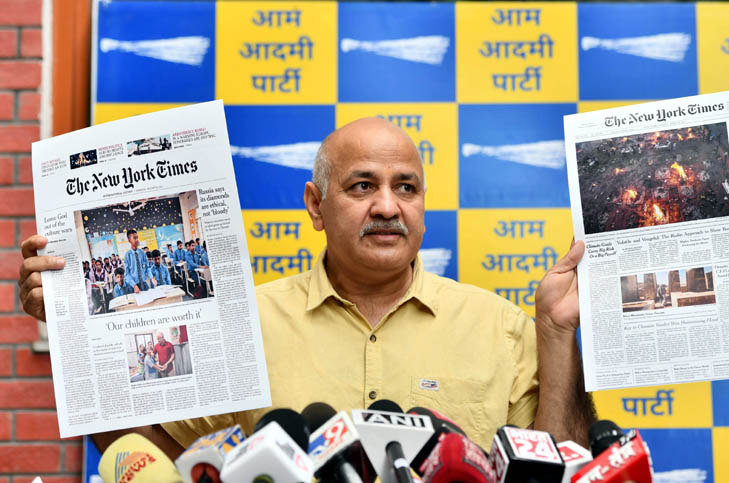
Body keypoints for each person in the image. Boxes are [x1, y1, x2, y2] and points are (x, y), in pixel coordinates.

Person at [18, 117, 594, 458]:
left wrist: (555, 332)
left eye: (406, 188)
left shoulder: (501, 327)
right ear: (316, 206)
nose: (387, 206)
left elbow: (566, 465)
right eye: (362, 186)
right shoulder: (243, 323)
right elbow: (157, 458)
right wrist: (77, 336)